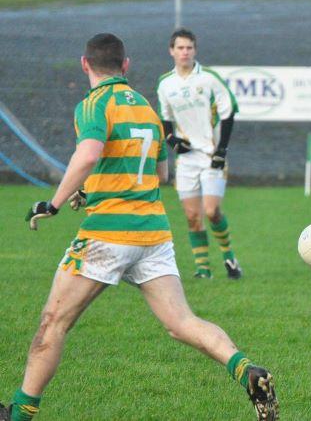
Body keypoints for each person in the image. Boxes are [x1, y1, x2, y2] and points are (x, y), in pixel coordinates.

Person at [0, 34, 278, 421]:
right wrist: (92, 188)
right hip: (153, 234)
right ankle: (246, 369)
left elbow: (89, 154)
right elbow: (159, 173)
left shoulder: (94, 103)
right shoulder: (146, 108)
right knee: (182, 322)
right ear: (126, 65)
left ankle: (18, 415)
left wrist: (55, 202)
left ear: (85, 64)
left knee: (53, 324)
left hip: (108, 235)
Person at [156, 28, 242, 280]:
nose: (185, 52)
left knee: (211, 211)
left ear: (195, 50)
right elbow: (165, 119)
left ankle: (229, 257)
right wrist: (172, 141)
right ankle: (203, 269)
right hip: (186, 160)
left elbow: (229, 112)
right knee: (192, 216)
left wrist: (221, 150)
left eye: (189, 47)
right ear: (171, 51)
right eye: (180, 48)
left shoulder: (209, 79)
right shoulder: (165, 83)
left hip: (211, 156)